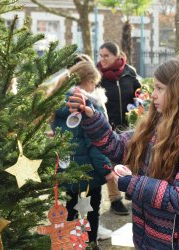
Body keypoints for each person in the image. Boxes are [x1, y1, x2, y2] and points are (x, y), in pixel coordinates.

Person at [67, 55, 179, 249]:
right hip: (148, 240)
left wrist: (133, 183)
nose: (153, 94)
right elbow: (118, 147)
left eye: (160, 89)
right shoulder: (154, 129)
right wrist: (92, 118)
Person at [51, 61, 113, 250]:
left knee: (71, 209)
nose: (95, 87)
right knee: (91, 211)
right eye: (94, 82)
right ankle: (91, 244)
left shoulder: (61, 103)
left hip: (68, 168)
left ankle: (68, 244)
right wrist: (106, 169)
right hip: (89, 171)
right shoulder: (87, 105)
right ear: (87, 81)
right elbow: (96, 143)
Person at [97, 41, 141, 215]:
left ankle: (131, 189)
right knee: (110, 164)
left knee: (132, 159)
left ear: (117, 55)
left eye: (106, 55)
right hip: (108, 127)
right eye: (100, 55)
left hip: (129, 126)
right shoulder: (98, 76)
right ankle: (115, 199)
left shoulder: (130, 73)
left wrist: (138, 111)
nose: (102, 59)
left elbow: (139, 95)